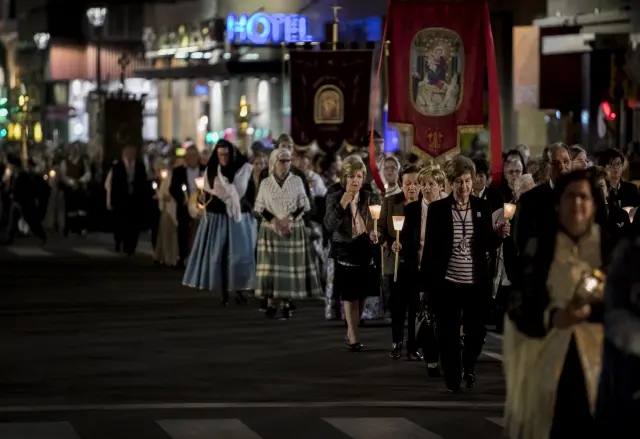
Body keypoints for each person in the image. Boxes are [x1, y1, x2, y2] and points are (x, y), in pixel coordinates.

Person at [507, 169, 605, 439]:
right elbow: (520, 303)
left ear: (594, 204)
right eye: (570, 196)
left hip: (600, 363)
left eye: (584, 197)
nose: (577, 203)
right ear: (558, 204)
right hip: (551, 358)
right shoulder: (542, 247)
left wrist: (593, 311)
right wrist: (552, 316)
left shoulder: (609, 247)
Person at [420, 155, 509, 392]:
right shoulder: (438, 209)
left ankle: (468, 365)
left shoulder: (481, 207)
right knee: (447, 333)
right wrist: (425, 286)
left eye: (468, 180)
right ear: (450, 183)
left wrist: (499, 235)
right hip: (447, 282)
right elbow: (430, 249)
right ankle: (452, 377)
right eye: (459, 181)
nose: (464, 186)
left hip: (475, 283)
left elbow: (487, 244)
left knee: (477, 332)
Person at [182, 140, 256, 306]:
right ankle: (224, 291)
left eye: (226, 155)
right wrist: (203, 199)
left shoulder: (243, 170)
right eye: (220, 155)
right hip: (218, 220)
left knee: (240, 257)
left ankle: (240, 289)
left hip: (238, 219)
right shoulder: (212, 170)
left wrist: (244, 205)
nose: (223, 158)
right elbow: (207, 196)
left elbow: (250, 194)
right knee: (221, 256)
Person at [254, 147, 321, 318]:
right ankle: (271, 302)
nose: (285, 164)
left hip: (292, 228)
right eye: (282, 161)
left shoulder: (297, 181)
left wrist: (289, 220)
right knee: (271, 268)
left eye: (288, 161)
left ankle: (286, 301)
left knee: (290, 267)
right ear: (273, 162)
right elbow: (260, 206)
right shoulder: (266, 183)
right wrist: (275, 221)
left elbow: (303, 205)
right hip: (270, 229)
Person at [324, 158, 378, 349]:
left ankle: (352, 330)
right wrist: (342, 205)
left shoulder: (370, 197)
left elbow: (376, 222)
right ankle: (353, 336)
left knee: (361, 294)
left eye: (359, 176)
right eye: (351, 176)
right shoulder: (334, 197)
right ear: (344, 178)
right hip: (344, 250)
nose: (355, 180)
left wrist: (375, 232)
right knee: (349, 294)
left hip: (364, 248)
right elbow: (329, 225)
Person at [379, 164, 423, 360]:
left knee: (415, 306)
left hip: (417, 262)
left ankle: (413, 345)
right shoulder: (391, 202)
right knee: (397, 306)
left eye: (415, 183)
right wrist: (390, 243)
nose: (412, 187)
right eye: (407, 183)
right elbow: (380, 230)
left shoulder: (425, 205)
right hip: (396, 261)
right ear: (401, 184)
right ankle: (396, 342)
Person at [513, 142, 572, 253]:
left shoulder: (588, 195)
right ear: (546, 167)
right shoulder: (530, 200)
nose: (562, 167)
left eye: (566, 162)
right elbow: (523, 240)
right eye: (555, 163)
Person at [105, 145, 150, 256]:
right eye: (128, 153)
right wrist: (113, 201)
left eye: (132, 153)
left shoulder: (140, 166)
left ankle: (131, 246)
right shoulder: (117, 166)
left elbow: (144, 184)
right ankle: (120, 241)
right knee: (121, 223)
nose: (130, 155)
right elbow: (114, 185)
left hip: (135, 200)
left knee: (134, 225)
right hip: (122, 200)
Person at [170, 145, 206, 266]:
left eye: (194, 156)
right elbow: (173, 189)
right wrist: (182, 199)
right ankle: (182, 256)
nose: (192, 158)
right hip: (184, 206)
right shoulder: (178, 171)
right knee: (183, 231)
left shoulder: (205, 170)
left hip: (201, 207)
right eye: (190, 156)